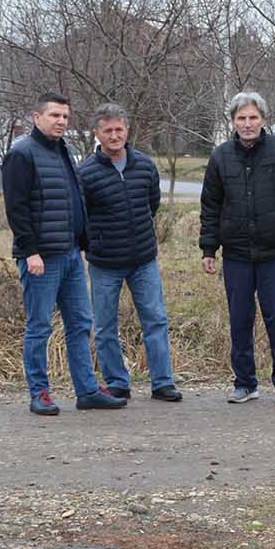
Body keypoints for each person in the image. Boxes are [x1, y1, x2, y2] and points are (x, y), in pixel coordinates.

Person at [3, 91, 127, 416]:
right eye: (54, 115)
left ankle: (87, 390)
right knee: (40, 327)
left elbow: (72, 199)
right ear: (37, 117)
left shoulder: (62, 151)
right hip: (41, 259)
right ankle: (39, 393)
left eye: (65, 117)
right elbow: (16, 209)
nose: (60, 121)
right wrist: (30, 252)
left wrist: (83, 242)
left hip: (71, 255)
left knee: (80, 324)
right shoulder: (22, 154)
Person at [199, 92, 275, 405]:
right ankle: (245, 383)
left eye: (252, 118)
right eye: (241, 119)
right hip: (235, 254)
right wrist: (209, 248)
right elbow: (210, 206)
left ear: (263, 120)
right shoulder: (221, 156)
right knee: (240, 320)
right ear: (233, 122)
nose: (247, 124)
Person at [77, 103, 182, 403]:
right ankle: (117, 383)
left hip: (143, 260)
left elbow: (152, 204)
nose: (114, 135)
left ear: (127, 130)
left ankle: (162, 382)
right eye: (107, 130)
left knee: (156, 319)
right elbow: (81, 216)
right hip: (104, 263)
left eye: (119, 129)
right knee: (105, 326)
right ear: (97, 133)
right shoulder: (85, 173)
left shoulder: (145, 165)